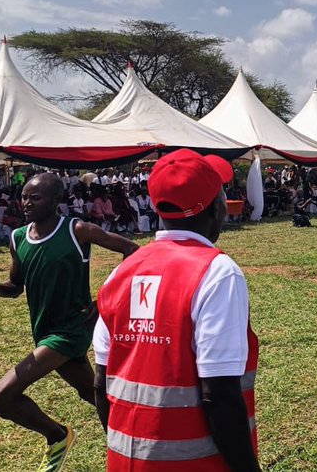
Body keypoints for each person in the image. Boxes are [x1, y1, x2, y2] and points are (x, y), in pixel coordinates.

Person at [93, 149, 261, 472]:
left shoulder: (121, 274)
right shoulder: (218, 273)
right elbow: (220, 395)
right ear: (217, 209)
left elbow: (101, 384)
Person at [0, 173, 139, 472]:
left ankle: (57, 435)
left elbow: (133, 252)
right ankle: (136, 444)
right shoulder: (18, 237)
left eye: (35, 197)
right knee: (92, 392)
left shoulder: (77, 230)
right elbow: (16, 287)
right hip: (45, 331)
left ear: (56, 201)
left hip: (71, 331)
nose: (25, 203)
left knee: (0, 397)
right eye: (24, 196)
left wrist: (104, 301)